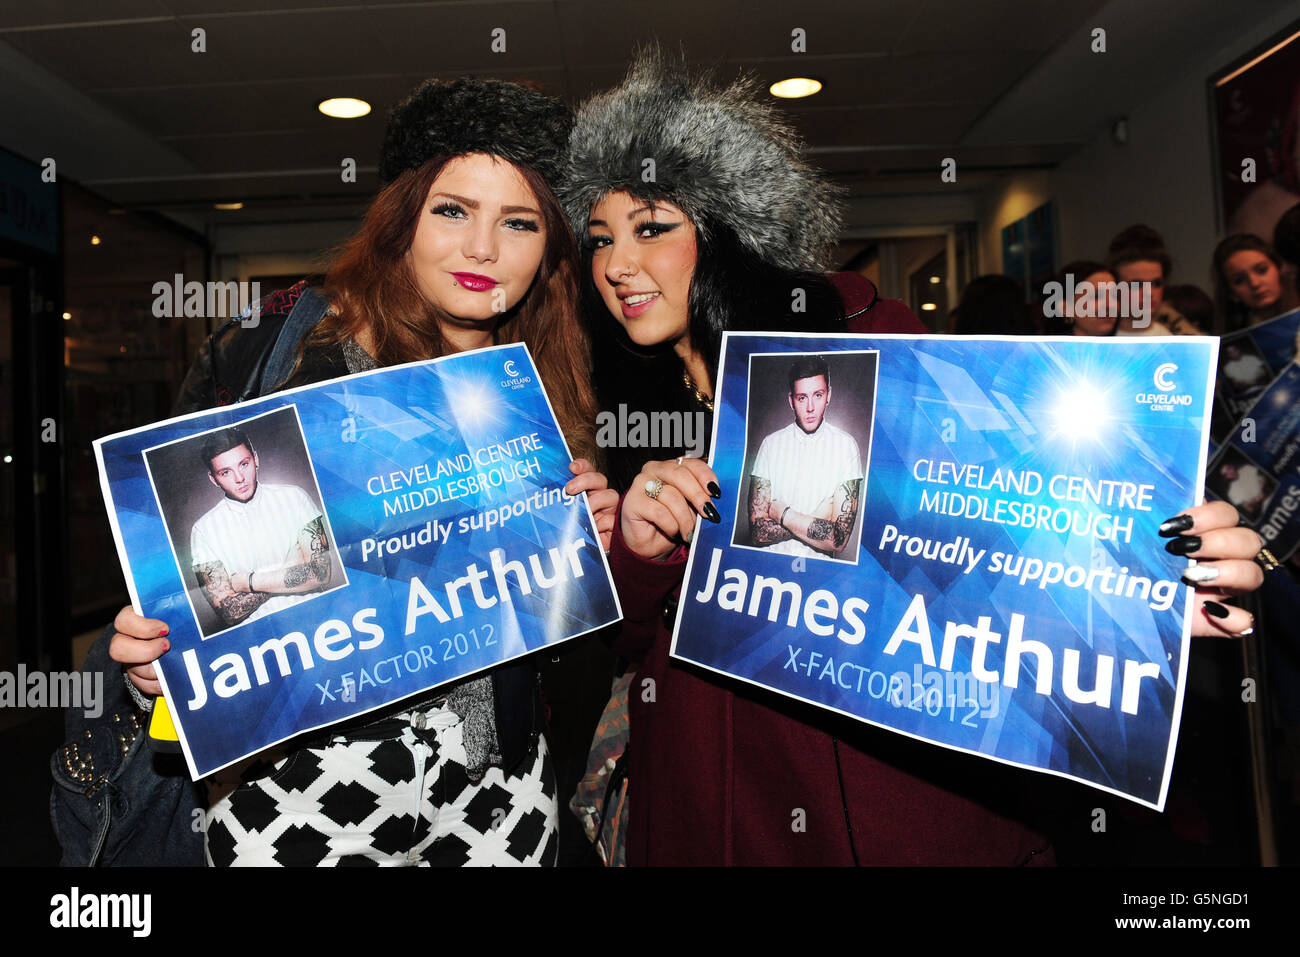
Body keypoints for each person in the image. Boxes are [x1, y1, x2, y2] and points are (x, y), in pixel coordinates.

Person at [562, 52, 1269, 866]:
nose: (617, 265)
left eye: (652, 228)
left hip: (868, 799)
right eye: (600, 237)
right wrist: (638, 553)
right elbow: (631, 636)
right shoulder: (631, 399)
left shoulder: (865, 345)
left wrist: (1133, 588)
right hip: (700, 800)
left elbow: (986, 526)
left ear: (725, 232)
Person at [106, 77, 618, 866]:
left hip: (495, 781)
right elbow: (197, 593)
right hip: (299, 776)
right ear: (403, 217)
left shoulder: (548, 392)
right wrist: (160, 659)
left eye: (518, 222)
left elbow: (543, 644)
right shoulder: (288, 359)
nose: (482, 248)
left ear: (549, 247)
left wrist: (579, 555)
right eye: (452, 210)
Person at [189, 427, 332, 631]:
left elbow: (319, 574)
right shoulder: (203, 530)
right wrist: (291, 570)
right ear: (214, 479)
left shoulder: (295, 497)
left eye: (244, 464)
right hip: (262, 641)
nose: (239, 478)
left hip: (322, 621)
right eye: (226, 472)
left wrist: (247, 582)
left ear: (256, 460)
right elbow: (230, 612)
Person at [747, 355, 861, 559]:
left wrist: (783, 514)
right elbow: (758, 533)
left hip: (818, 577)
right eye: (802, 398)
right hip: (767, 568)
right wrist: (816, 520)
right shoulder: (770, 444)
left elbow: (838, 537)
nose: (810, 408)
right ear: (791, 400)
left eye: (818, 395)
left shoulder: (846, 446)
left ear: (829, 395)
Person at [1105, 224, 1203, 336]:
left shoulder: (1172, 340)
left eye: (1156, 284)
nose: (1149, 293)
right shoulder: (1096, 343)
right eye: (1137, 285)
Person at [1212, 233, 1299, 331]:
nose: (1254, 283)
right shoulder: (1235, 340)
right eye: (1239, 280)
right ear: (1232, 293)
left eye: (1262, 270)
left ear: (1279, 268)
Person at [1044, 260, 1122, 336]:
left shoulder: (1127, 347)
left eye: (1115, 296)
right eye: (1096, 296)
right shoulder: (1049, 348)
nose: (1110, 305)